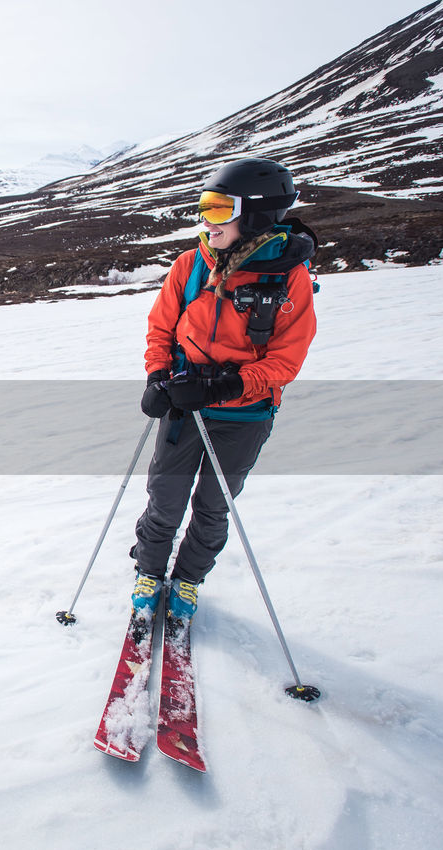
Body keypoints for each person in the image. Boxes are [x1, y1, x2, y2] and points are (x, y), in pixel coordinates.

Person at [129, 157, 317, 622]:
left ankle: (189, 579)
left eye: (217, 209)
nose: (206, 222)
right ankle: (150, 570)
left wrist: (226, 387)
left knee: (213, 508)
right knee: (164, 500)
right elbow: (161, 329)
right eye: (204, 208)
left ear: (253, 215)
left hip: (244, 416)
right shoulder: (190, 265)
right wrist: (157, 378)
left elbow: (286, 360)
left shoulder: (288, 277)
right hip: (182, 408)